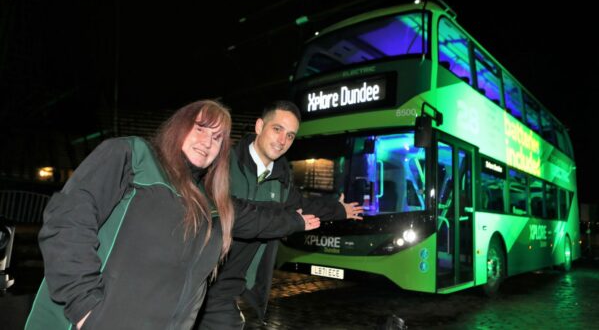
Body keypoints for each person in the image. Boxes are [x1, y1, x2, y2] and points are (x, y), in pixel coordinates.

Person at [25, 100, 320, 330]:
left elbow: (256, 216)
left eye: (217, 137)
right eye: (200, 128)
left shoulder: (210, 202)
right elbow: (67, 222)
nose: (207, 141)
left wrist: (298, 219)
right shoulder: (133, 156)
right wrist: (84, 306)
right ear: (179, 126)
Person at [197, 100, 364, 329]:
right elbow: (234, 214)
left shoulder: (282, 180)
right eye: (277, 129)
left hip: (233, 290)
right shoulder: (223, 163)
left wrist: (339, 209)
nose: (282, 140)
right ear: (259, 126)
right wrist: (291, 221)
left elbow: (302, 205)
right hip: (201, 280)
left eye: (290, 135)